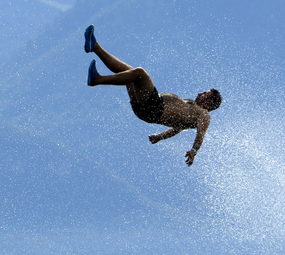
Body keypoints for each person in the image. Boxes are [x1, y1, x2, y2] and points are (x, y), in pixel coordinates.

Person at [83, 25, 222, 166]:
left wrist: (193, 151)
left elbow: (200, 135)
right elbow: (177, 129)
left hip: (153, 108)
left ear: (209, 102)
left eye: (205, 93)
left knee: (140, 73)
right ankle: (95, 47)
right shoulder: (191, 112)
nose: (200, 93)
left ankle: (97, 79)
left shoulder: (204, 114)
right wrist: (159, 137)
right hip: (145, 110)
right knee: (129, 73)